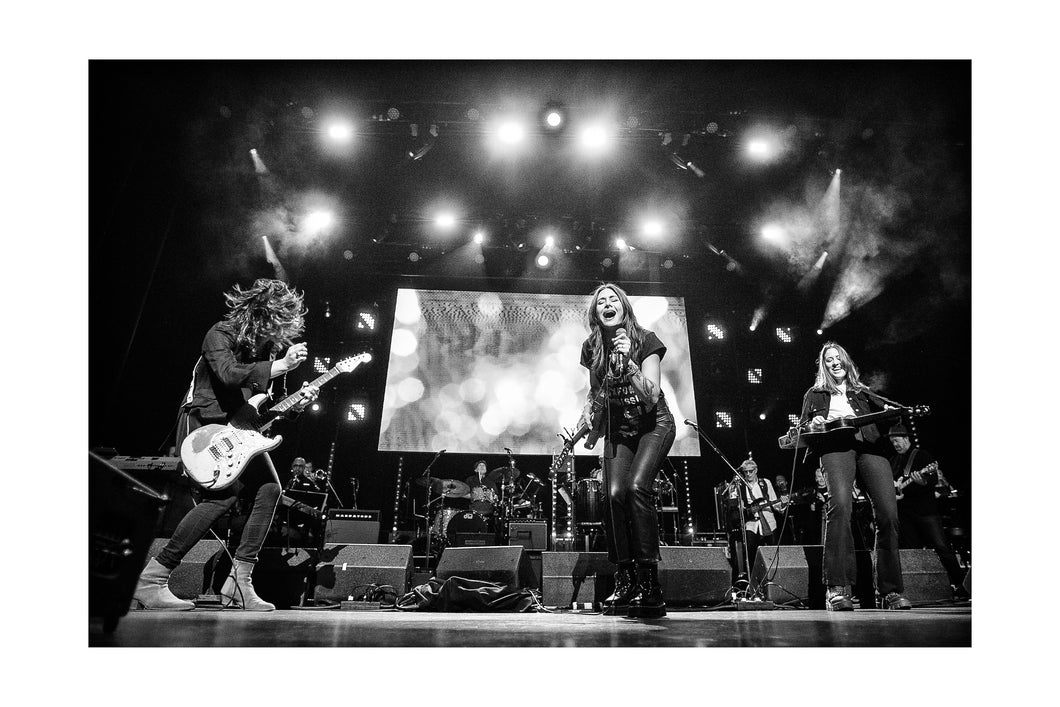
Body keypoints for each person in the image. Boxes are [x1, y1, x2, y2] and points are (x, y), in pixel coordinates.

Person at [133, 278, 318, 611]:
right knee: (222, 497)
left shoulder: (268, 352)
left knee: (268, 490)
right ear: (264, 314)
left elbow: (263, 410)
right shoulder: (220, 333)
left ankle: (239, 582)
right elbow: (229, 375)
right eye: (277, 326)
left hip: (240, 430)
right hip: (206, 425)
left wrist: (297, 404)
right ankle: (152, 578)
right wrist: (281, 366)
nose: (277, 337)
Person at [578, 283, 676, 618]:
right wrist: (590, 423)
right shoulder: (591, 348)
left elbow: (651, 397)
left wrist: (629, 362)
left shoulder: (645, 340)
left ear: (623, 307)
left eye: (612, 300)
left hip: (654, 426)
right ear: (596, 313)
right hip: (619, 431)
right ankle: (626, 579)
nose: (607, 304)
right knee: (613, 494)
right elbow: (595, 395)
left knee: (636, 488)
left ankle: (650, 584)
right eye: (600, 302)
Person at [800, 342, 910, 611]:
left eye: (839, 358)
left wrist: (888, 415)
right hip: (835, 448)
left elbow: (887, 421)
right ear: (823, 366)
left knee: (888, 513)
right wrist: (813, 424)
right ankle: (837, 589)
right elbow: (802, 428)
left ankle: (890, 591)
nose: (835, 362)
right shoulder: (815, 394)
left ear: (846, 362)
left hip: (871, 447)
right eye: (829, 360)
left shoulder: (865, 393)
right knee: (840, 507)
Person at [888, 424, 967, 596]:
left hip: (925, 510)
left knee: (942, 547)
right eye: (893, 442)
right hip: (905, 513)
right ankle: (921, 590)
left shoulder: (922, 456)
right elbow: (892, 484)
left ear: (906, 439)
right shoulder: (893, 461)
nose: (895, 444)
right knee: (912, 551)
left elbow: (931, 482)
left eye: (897, 441)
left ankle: (962, 585)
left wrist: (922, 482)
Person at [734, 458, 780, 572]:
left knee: (772, 553)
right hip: (751, 523)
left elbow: (775, 502)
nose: (748, 474)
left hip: (768, 521)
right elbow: (739, 506)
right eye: (746, 472)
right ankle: (753, 578)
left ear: (756, 470)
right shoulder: (741, 486)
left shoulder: (765, 482)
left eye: (751, 471)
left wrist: (783, 502)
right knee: (751, 553)